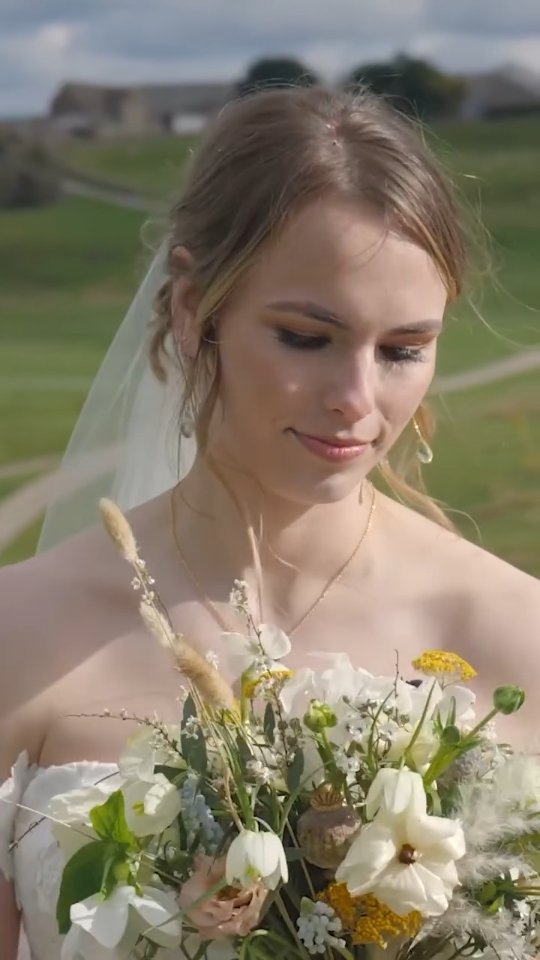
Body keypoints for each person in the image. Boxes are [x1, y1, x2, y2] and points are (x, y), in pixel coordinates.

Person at [0, 85, 539, 960]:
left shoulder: (519, 635)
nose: (358, 402)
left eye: (403, 350)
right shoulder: (17, 633)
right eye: (304, 336)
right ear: (190, 309)